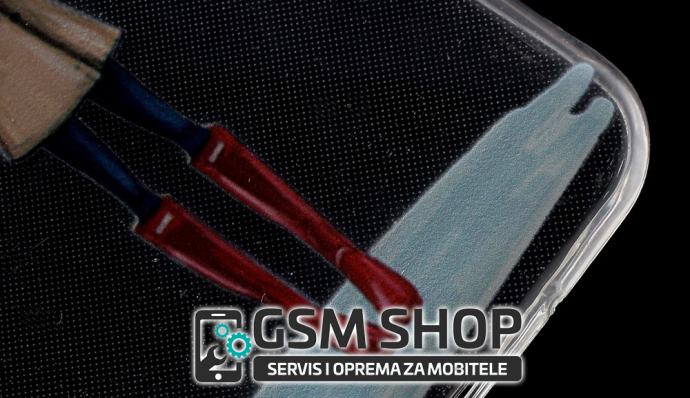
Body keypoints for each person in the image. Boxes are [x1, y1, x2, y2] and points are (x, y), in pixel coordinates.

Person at [0, 0, 422, 313]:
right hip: (13, 94)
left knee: (184, 135)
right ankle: (299, 309)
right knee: (136, 197)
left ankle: (345, 256)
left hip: (37, 41)